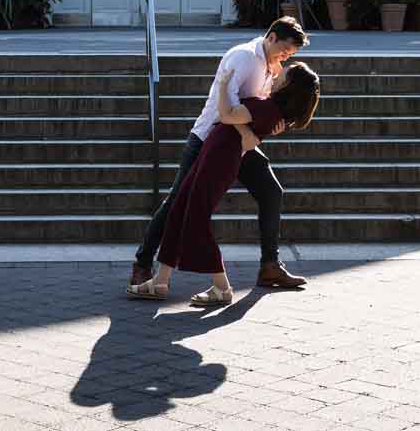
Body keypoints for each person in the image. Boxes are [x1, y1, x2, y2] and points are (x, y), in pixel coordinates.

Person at [129, 18, 309, 295]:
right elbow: (227, 105)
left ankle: (270, 265)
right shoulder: (244, 57)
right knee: (178, 202)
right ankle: (143, 263)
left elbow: (259, 108)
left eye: (291, 55)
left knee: (271, 191)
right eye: (285, 50)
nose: (286, 57)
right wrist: (248, 133)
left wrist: (267, 127)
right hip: (208, 139)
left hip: (238, 142)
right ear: (271, 37)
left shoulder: (271, 67)